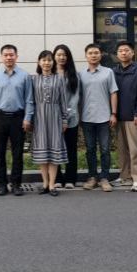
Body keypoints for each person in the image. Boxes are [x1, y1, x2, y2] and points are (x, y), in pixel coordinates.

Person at [0, 44, 34, 196]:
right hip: (0, 117)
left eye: (11, 55)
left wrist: (27, 118)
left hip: (18, 118)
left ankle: (16, 184)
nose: (9, 57)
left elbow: (29, 99)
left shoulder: (25, 76)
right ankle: (2, 184)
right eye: (6, 55)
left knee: (17, 154)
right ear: (2, 57)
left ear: (16, 56)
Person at [79, 43, 118, 192]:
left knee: (105, 149)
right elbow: (78, 96)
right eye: (90, 53)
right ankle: (92, 177)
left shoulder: (108, 72)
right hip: (87, 118)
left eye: (96, 52)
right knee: (90, 149)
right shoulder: (81, 74)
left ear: (100, 55)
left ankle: (104, 178)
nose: (93, 55)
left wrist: (113, 113)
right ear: (86, 56)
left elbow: (113, 93)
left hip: (104, 117)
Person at [112, 41, 137, 192]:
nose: (123, 53)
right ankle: (125, 176)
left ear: (132, 53)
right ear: (117, 54)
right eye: (120, 50)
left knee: (136, 150)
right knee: (122, 150)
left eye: (126, 50)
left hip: (134, 118)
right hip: (118, 117)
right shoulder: (114, 72)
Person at [31, 50, 68, 197]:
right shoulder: (33, 79)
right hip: (39, 118)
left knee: (54, 152)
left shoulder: (59, 79)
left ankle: (52, 185)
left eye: (49, 60)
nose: (47, 63)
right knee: (42, 152)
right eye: (44, 60)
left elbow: (63, 101)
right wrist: (30, 119)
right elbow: (31, 101)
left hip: (55, 117)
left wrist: (64, 119)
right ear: (39, 62)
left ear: (53, 62)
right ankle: (45, 183)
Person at [53, 44, 81, 190]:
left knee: (71, 149)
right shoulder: (50, 74)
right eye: (59, 55)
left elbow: (75, 97)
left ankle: (70, 179)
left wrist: (67, 114)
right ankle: (57, 178)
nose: (61, 57)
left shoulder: (74, 75)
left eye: (64, 55)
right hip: (53, 118)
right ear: (54, 56)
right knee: (55, 149)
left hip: (71, 118)